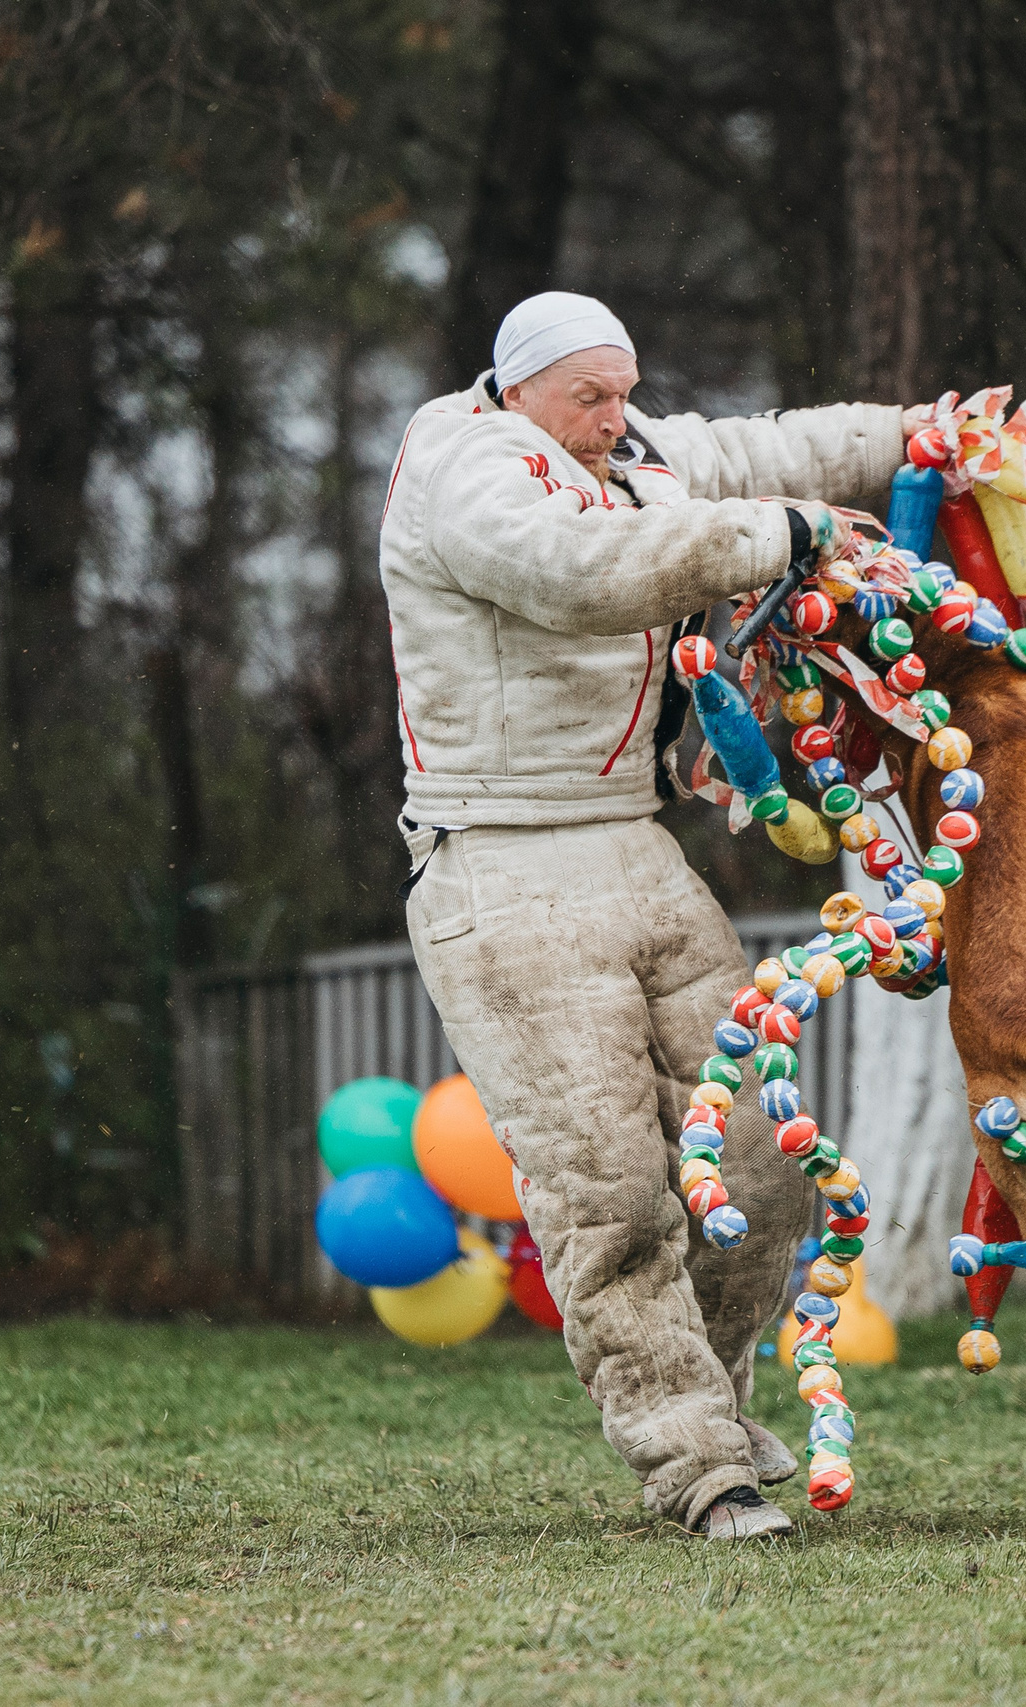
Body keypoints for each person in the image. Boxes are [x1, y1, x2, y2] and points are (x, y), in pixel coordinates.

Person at [380, 292, 923, 1538]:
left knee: (759, 1158)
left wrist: (920, 431)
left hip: (634, 844)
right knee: (610, 1194)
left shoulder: (624, 454)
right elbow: (579, 577)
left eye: (628, 395)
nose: (618, 421)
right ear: (519, 385)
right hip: (499, 862)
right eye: (592, 397)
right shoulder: (460, 465)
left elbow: (769, 444)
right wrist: (774, 535)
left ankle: (715, 1411)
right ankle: (693, 1468)